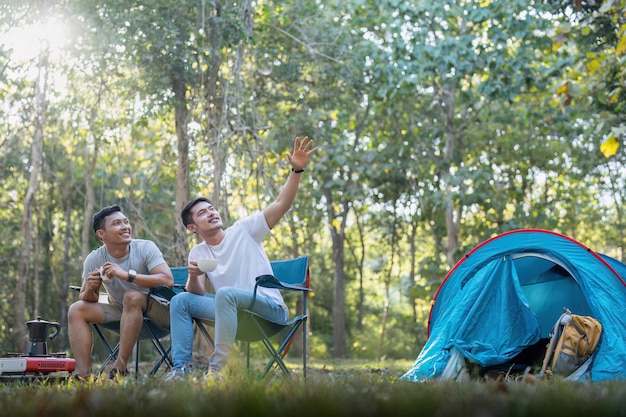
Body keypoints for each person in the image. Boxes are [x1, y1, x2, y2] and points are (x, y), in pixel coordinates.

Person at [166, 136, 317, 380]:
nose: (212, 213)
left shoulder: (244, 230)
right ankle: (180, 369)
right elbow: (196, 293)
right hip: (232, 313)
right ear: (193, 228)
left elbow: (281, 204)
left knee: (225, 293)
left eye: (212, 209)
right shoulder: (199, 252)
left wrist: (296, 170)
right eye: (203, 213)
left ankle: (218, 370)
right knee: (181, 300)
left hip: (269, 311)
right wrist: (194, 276)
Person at [68, 205, 174, 379]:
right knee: (76, 309)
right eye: (117, 223)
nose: (125, 226)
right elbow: (87, 298)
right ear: (102, 234)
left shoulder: (145, 247)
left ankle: (120, 367)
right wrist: (92, 287)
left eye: (126, 222)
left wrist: (127, 276)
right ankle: (83, 375)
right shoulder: (94, 259)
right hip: (122, 314)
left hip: (159, 313)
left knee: (132, 296)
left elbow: (167, 280)